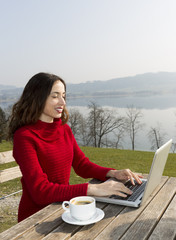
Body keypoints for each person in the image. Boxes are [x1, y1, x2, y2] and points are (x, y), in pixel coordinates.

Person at [8, 72, 142, 222]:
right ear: (37, 97)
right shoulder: (24, 136)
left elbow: (81, 165)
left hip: (62, 208)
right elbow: (41, 191)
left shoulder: (64, 129)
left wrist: (112, 173)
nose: (62, 102)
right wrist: (93, 189)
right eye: (55, 96)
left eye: (63, 96)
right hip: (35, 218)